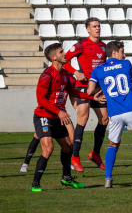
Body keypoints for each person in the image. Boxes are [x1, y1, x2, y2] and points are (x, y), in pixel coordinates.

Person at [30, 43, 105, 192]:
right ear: (53, 57)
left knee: (67, 146)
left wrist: (92, 98)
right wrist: (59, 112)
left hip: (58, 117)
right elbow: (41, 100)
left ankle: (67, 178)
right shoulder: (46, 75)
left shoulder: (66, 75)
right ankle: (35, 184)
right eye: (61, 52)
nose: (65, 54)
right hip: (44, 116)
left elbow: (75, 93)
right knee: (48, 148)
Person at [87, 41, 132, 188]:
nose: (124, 54)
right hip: (131, 109)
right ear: (114, 53)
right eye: (122, 51)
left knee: (113, 144)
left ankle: (108, 178)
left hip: (114, 114)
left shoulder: (98, 69)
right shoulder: (126, 64)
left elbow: (90, 91)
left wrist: (98, 94)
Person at [63, 17, 108, 172]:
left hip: (98, 88)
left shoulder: (103, 46)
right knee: (83, 116)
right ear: (88, 29)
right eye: (94, 26)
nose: (98, 28)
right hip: (82, 86)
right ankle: (75, 156)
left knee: (104, 119)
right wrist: (75, 72)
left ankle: (95, 153)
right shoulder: (81, 45)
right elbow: (64, 61)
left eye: (99, 26)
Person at [21, 78, 77, 173]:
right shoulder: (52, 77)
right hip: (47, 115)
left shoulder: (69, 78)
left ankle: (68, 165)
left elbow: (73, 95)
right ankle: (26, 163)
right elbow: (42, 98)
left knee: (71, 140)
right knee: (37, 137)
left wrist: (77, 108)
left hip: (62, 115)